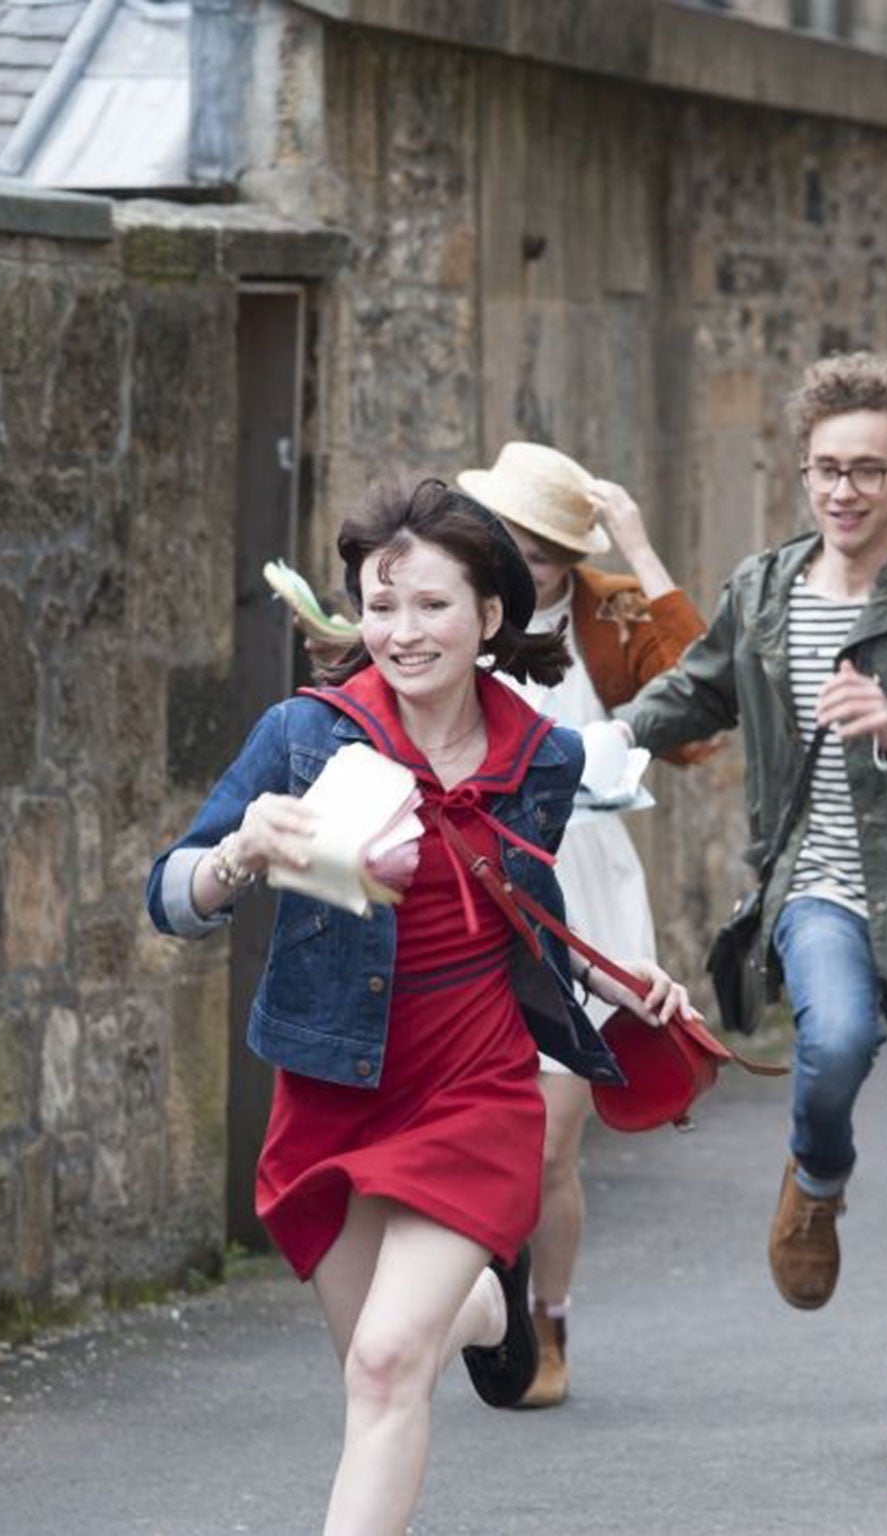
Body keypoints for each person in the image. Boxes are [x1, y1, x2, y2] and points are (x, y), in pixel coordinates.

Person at [145, 480, 688, 1535]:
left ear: (489, 615)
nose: (402, 632)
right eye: (380, 605)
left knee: (391, 1364)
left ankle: (469, 1295)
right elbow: (167, 894)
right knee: (373, 1366)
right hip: (332, 1081)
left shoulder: (542, 756)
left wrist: (615, 979)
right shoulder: (304, 737)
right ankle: (488, 1304)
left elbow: (527, 918)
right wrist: (241, 855)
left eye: (431, 606)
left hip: (474, 1084)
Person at [611, 352, 887, 1469]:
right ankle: (815, 1174)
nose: (841, 492)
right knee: (834, 1037)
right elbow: (695, 689)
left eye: (865, 471)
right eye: (823, 471)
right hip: (819, 887)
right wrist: (601, 743)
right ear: (802, 474)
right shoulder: (765, 588)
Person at [458, 440, 711, 1409]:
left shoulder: (604, 612)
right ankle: (482, 1301)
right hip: (472, 889)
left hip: (583, 891)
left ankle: (543, 1320)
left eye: (542, 545)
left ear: (570, 553)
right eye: (507, 538)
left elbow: (700, 708)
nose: (521, 559)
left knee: (549, 1143)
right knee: (482, 1129)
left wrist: (641, 555)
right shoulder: (456, 605)